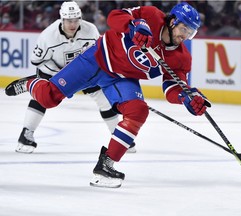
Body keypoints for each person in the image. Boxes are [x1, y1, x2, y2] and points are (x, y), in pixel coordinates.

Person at [5, 2, 211, 188]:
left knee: (138, 111)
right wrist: (134, 25)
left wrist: (186, 98)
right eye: (184, 29)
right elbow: (114, 16)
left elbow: (173, 88)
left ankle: (105, 166)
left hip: (121, 78)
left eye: (190, 33)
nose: (185, 36)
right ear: (172, 21)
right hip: (96, 59)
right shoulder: (151, 15)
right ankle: (32, 83)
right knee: (48, 98)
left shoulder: (181, 58)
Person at [10, 1, 136, 154]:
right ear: (62, 19)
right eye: (69, 20)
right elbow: (36, 61)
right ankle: (26, 134)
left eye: (76, 20)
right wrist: (60, 75)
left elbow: (100, 52)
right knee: (43, 97)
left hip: (83, 71)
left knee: (103, 99)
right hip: (54, 71)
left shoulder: (90, 30)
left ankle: (120, 138)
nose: (73, 24)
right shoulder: (48, 36)